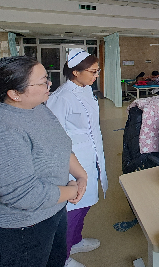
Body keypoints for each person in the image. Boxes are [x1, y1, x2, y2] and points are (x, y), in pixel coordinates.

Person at [0, 56, 88, 267]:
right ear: (14, 94)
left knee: (56, 261)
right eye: (43, 82)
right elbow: (24, 195)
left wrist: (81, 175)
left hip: (53, 208)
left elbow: (61, 145)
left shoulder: (37, 108)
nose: (50, 85)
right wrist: (72, 191)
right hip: (21, 227)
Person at [46, 49, 108, 267]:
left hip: (91, 155)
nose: (96, 75)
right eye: (92, 71)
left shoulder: (86, 89)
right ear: (75, 72)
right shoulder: (61, 97)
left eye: (97, 71)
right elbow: (53, 137)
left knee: (85, 204)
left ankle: (75, 241)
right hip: (73, 161)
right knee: (72, 208)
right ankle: (62, 258)